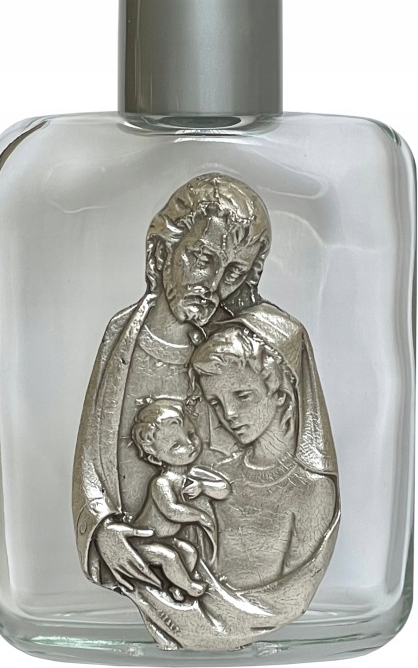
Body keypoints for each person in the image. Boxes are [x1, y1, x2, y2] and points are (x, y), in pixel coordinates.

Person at [72, 173, 271, 594]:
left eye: (233, 272)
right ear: (163, 252)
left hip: (229, 553)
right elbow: (91, 454)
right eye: (203, 258)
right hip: (140, 541)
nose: (214, 285)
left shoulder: (241, 349)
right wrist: (104, 528)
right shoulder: (122, 336)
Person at [190, 302, 340, 590]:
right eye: (216, 402)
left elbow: (293, 588)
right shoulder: (217, 473)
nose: (228, 414)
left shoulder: (311, 489)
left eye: (242, 395)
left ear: (280, 392)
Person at [129, 397, 230, 601]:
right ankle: (190, 587)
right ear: (154, 457)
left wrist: (203, 487)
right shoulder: (161, 483)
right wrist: (199, 516)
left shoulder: (193, 475)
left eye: (191, 435)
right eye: (176, 445)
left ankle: (178, 586)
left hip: (166, 540)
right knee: (170, 557)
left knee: (189, 552)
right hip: (142, 542)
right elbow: (172, 511)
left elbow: (224, 489)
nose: (190, 445)